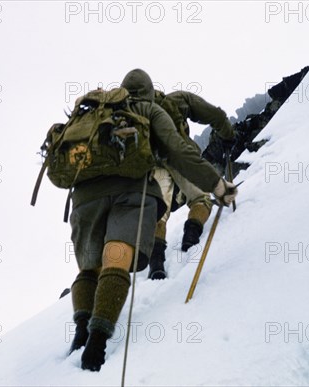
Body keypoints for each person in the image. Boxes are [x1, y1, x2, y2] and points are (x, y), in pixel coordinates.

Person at [68, 69, 238, 372]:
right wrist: (219, 183)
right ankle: (97, 342)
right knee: (117, 254)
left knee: (91, 265)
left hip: (84, 194)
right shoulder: (160, 106)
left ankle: (81, 328)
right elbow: (182, 145)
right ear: (150, 91)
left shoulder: (96, 113)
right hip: (134, 184)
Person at [121, 70, 236, 280]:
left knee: (157, 214)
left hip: (148, 167)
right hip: (182, 159)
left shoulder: (121, 114)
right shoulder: (176, 101)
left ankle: (156, 264)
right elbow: (215, 115)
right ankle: (190, 241)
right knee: (201, 198)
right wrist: (227, 134)